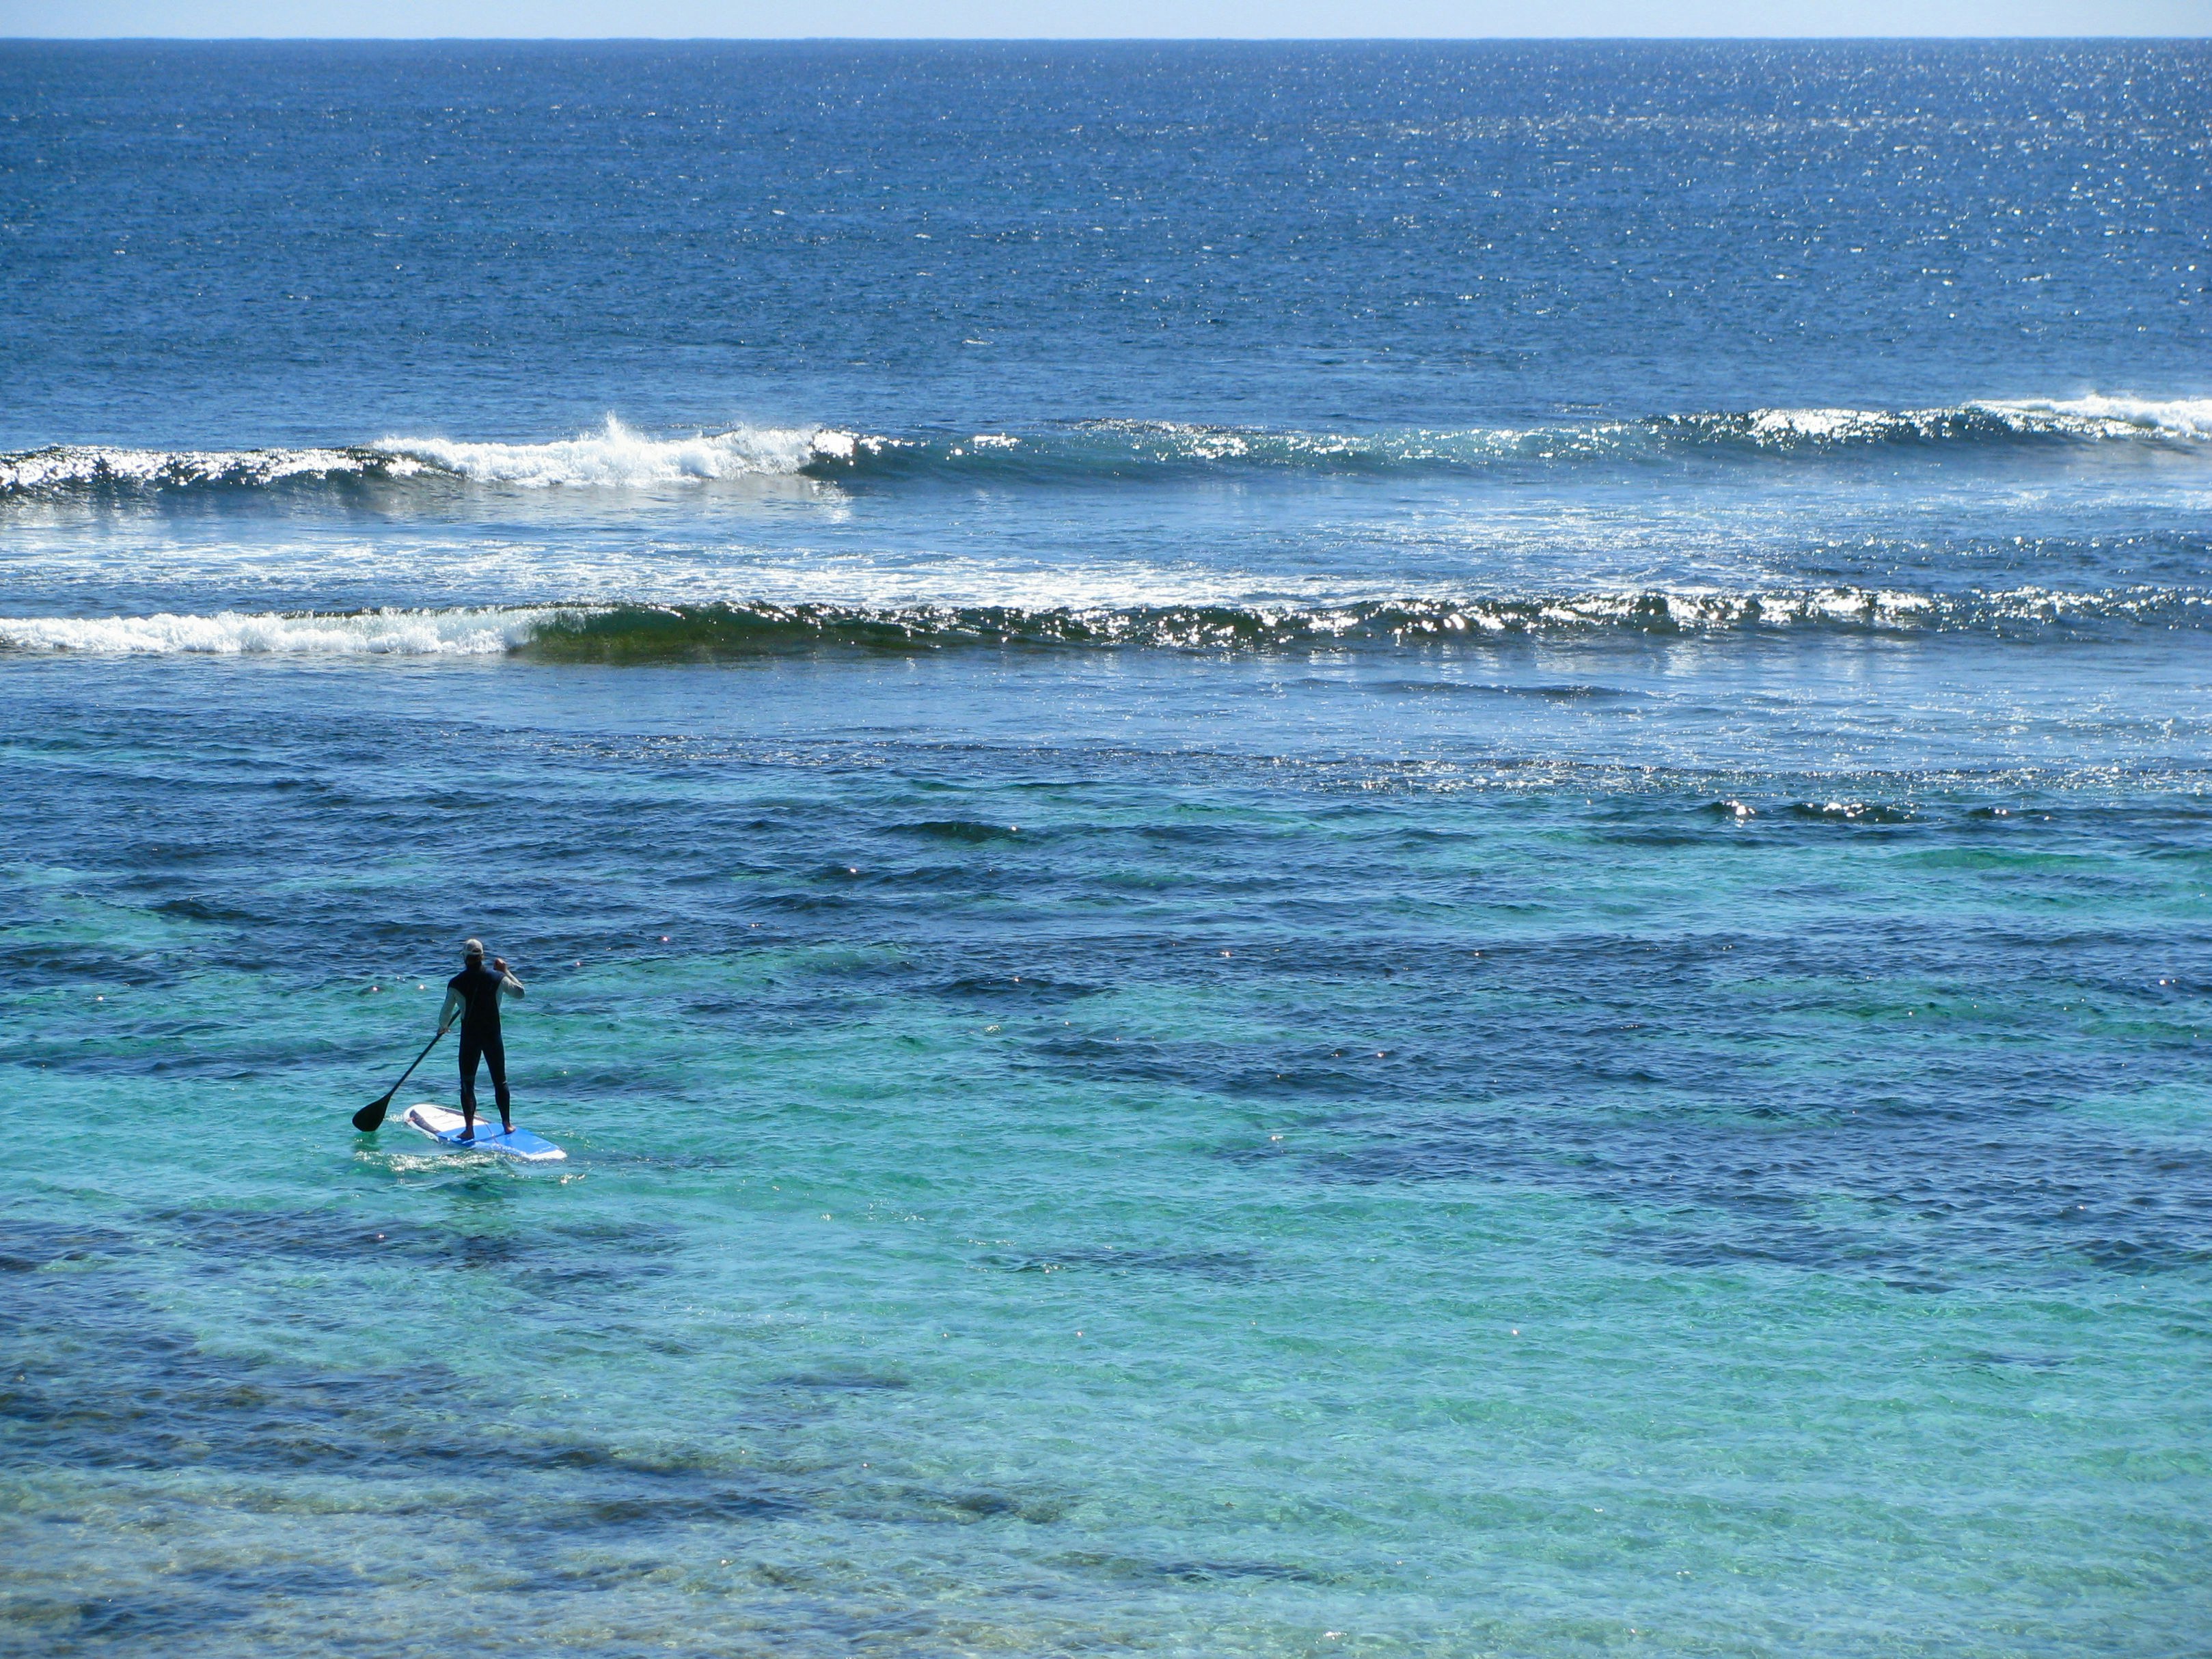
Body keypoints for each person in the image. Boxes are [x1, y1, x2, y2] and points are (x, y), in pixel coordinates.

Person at [439, 939, 525, 1139]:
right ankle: (507, 1125)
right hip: (493, 1036)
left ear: (465, 958)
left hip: (470, 1038)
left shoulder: (456, 983)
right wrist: (506, 971)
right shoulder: (498, 978)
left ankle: (469, 1130)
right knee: (500, 1081)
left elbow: (445, 1014)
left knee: (468, 1083)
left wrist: (443, 1028)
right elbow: (520, 993)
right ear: (482, 957)